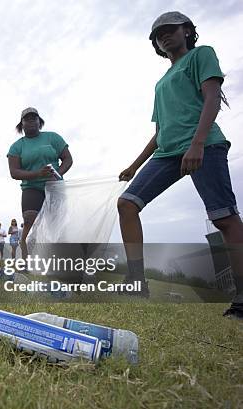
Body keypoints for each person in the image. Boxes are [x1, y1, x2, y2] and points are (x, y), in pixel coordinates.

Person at [118, 12, 243, 316]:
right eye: (158, 35)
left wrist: (198, 143)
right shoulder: (161, 83)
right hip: (167, 153)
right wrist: (134, 166)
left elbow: (212, 97)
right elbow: (160, 132)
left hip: (203, 144)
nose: (163, 36)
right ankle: (137, 281)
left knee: (223, 218)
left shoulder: (201, 55)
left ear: (187, 30)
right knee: (127, 204)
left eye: (169, 29)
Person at [7, 107, 73, 263]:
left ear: (39, 121)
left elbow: (68, 159)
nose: (30, 121)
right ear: (21, 124)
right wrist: (38, 174)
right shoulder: (17, 146)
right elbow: (14, 172)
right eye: (26, 119)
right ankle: (26, 263)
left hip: (55, 187)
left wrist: (57, 175)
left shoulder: (53, 138)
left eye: (34, 118)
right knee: (30, 220)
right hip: (32, 188)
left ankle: (60, 263)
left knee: (57, 225)